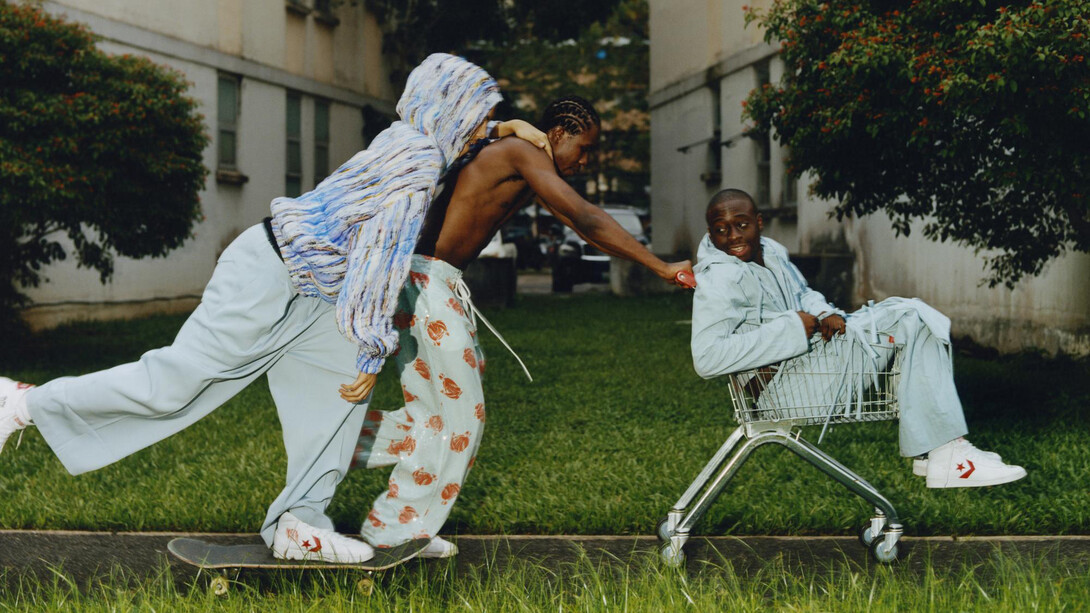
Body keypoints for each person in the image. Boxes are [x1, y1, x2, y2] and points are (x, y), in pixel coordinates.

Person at [0, 53, 551, 564]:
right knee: (178, 382)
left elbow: (450, 140)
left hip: (318, 294)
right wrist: (372, 345)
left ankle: (299, 524)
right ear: (453, 111)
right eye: (479, 115)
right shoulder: (418, 163)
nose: (481, 127)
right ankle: (24, 403)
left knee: (335, 406)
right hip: (271, 275)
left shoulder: (411, 137)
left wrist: (503, 128)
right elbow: (379, 257)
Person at [346, 96, 695, 555]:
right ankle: (370, 489)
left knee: (438, 416)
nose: (585, 161)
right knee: (462, 418)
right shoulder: (520, 152)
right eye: (584, 148)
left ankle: (363, 478)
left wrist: (655, 266)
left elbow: (582, 227)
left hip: (429, 282)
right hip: (424, 281)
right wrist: (662, 266)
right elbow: (586, 215)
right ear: (558, 134)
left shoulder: (526, 163)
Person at [690, 188, 1026, 488]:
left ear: (759, 222)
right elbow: (706, 358)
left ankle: (941, 450)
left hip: (805, 363)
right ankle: (945, 452)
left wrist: (824, 313)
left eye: (742, 225)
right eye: (721, 230)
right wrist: (791, 328)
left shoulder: (771, 251)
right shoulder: (719, 279)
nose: (733, 237)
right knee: (910, 317)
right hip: (781, 390)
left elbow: (802, 292)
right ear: (710, 232)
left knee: (911, 314)